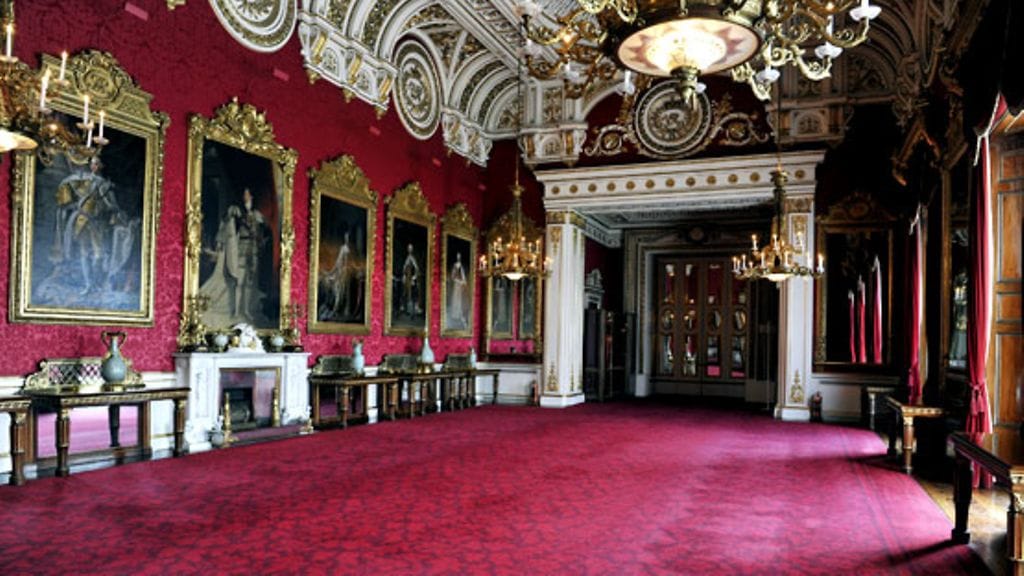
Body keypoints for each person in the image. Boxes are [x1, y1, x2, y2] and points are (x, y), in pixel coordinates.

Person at [51, 155, 127, 294]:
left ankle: (97, 282)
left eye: (97, 164)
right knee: (84, 253)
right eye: (92, 163)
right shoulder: (78, 182)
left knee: (99, 255)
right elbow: (67, 202)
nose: (94, 166)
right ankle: (89, 285)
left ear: (101, 166)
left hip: (98, 224)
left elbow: (111, 205)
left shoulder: (103, 184)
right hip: (82, 222)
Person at [204, 187, 269, 323]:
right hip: (241, 249)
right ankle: (237, 311)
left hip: (253, 251)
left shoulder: (257, 215)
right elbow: (227, 222)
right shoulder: (236, 211)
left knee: (249, 284)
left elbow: (265, 231)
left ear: (251, 197)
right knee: (239, 282)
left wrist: (261, 239)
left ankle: (247, 310)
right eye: (244, 194)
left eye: (247, 194)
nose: (245, 196)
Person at [401, 243, 420, 317]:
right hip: (406, 278)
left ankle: (411, 310)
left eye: (410, 248)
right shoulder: (406, 257)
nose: (409, 249)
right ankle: (405, 309)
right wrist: (404, 276)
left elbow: (416, 268)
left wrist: (414, 277)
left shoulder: (412, 258)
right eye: (408, 248)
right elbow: (404, 268)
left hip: (411, 279)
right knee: (405, 293)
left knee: (411, 294)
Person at [448, 251, 467, 328]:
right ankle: (455, 315)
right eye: (457, 256)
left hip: (461, 285)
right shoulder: (455, 265)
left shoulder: (461, 265)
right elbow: (453, 276)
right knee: (456, 299)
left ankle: (460, 314)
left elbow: (463, 275)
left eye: (459, 256)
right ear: (456, 257)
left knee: (461, 299)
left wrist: (464, 281)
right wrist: (459, 281)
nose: (458, 257)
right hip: (456, 285)